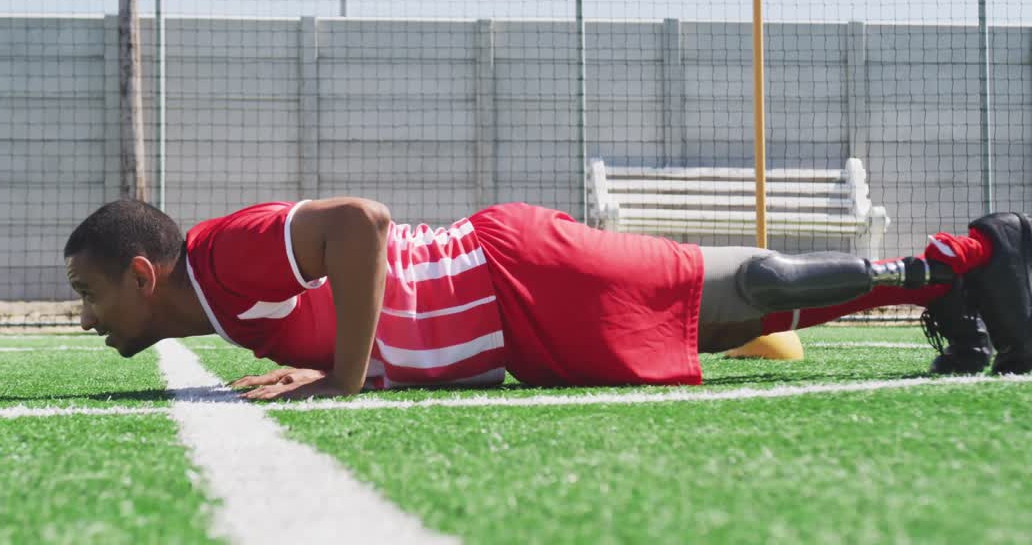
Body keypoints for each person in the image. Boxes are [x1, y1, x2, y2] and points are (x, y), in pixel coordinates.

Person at [62, 198, 1032, 400]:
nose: (85, 316)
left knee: (749, 284)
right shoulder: (226, 300)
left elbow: (360, 223)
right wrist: (322, 356)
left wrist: (346, 381)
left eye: (89, 294)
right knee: (742, 318)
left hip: (518, 271)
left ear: (141, 275)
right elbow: (351, 293)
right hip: (515, 335)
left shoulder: (221, 253)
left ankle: (966, 252)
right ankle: (956, 287)